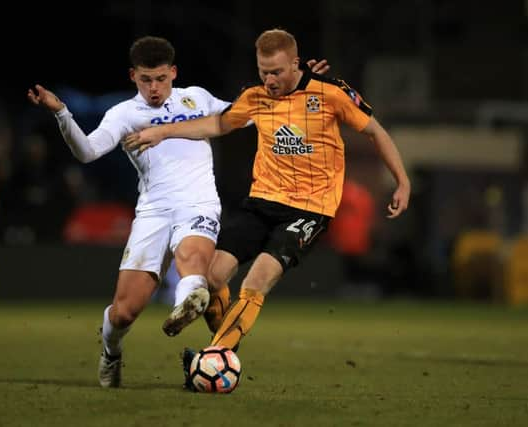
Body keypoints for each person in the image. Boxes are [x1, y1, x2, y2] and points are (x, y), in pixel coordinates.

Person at [27, 36, 329, 389]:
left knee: (192, 256)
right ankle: (112, 350)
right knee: (125, 311)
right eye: (145, 80)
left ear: (173, 72)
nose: (154, 88)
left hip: (199, 203)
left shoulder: (197, 97)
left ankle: (189, 302)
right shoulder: (124, 115)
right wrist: (61, 112)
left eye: (160, 78)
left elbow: (255, 109)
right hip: (153, 211)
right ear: (133, 76)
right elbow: (87, 152)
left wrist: (301, 81)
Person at [125, 28, 411, 389]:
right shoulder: (255, 97)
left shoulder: (330, 93)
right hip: (262, 201)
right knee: (211, 275)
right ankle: (221, 350)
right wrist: (164, 132)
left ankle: (212, 357)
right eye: (264, 72)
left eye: (277, 72)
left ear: (295, 63)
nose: (270, 80)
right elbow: (218, 123)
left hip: (309, 210)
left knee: (257, 280)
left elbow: (376, 132)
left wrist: (402, 181)